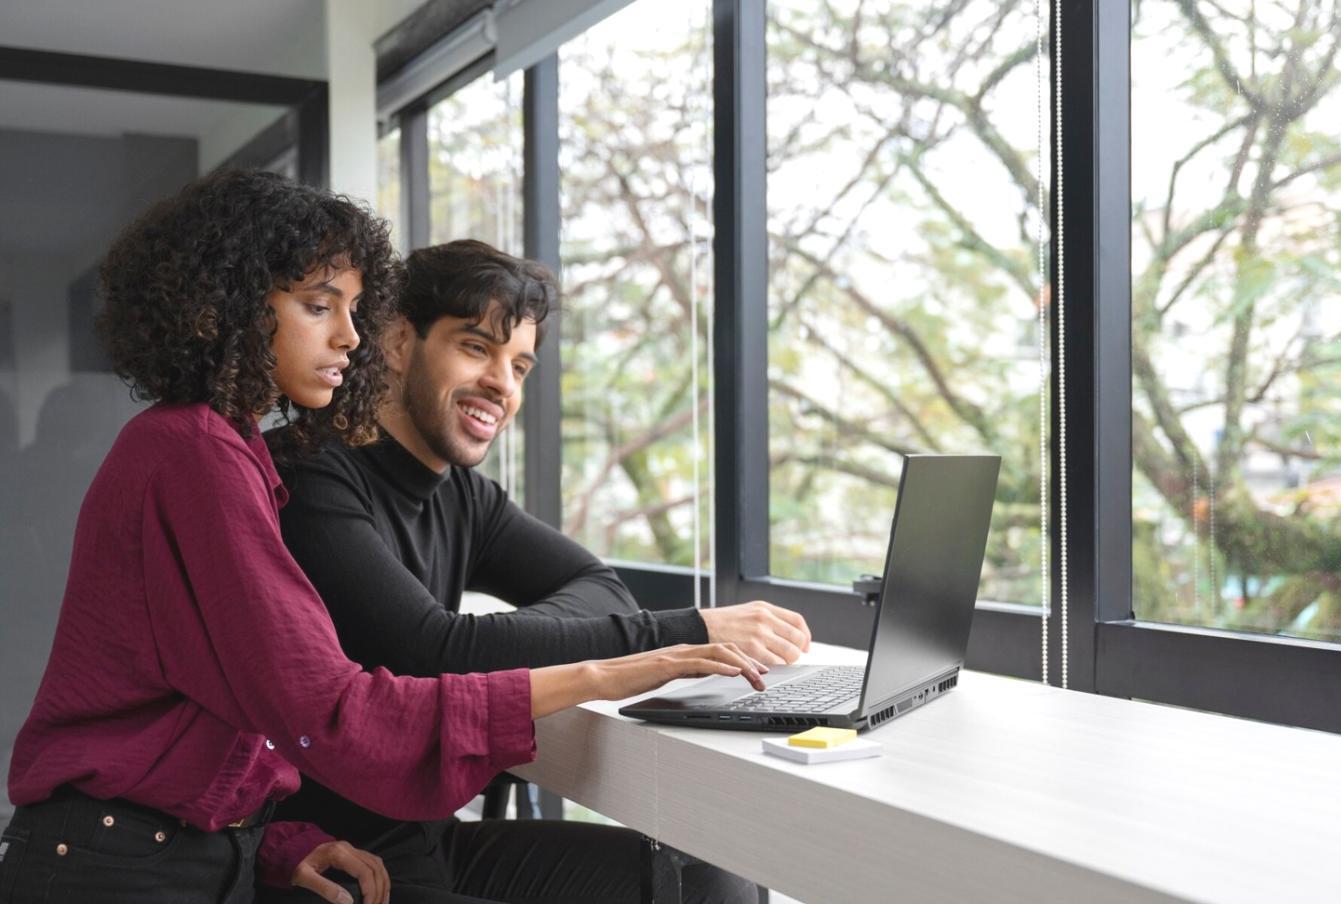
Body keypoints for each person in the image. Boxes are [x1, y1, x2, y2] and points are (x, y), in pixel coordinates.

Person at [0, 172, 763, 904]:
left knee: (703, 880)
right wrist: (603, 670)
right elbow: (332, 708)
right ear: (225, 306)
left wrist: (274, 844)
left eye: (355, 310)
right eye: (318, 305)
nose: (349, 337)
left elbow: (228, 708)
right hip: (116, 871)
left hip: (192, 854)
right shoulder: (200, 455)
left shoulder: (218, 448)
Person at [267, 239, 812, 903]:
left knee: (710, 880)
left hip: (429, 839)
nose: (502, 384)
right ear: (400, 342)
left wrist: (493, 644)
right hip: (327, 861)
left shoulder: (464, 496)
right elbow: (427, 649)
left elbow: (598, 587)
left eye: (519, 365)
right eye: (475, 348)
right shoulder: (307, 475)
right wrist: (685, 631)